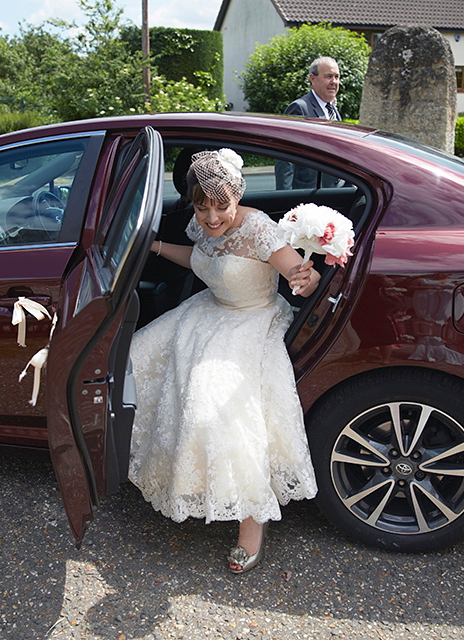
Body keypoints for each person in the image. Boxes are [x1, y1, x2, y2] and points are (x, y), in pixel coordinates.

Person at [129, 149, 321, 574]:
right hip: (207, 311)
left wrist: (306, 279)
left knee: (214, 407)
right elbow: (200, 259)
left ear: (238, 198)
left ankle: (251, 523)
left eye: (221, 207)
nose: (211, 218)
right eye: (202, 207)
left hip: (251, 320)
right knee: (135, 356)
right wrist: (158, 246)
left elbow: (299, 275)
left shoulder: (258, 229)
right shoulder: (200, 225)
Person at [275, 57, 342, 190]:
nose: (334, 82)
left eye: (337, 77)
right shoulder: (300, 108)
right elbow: (286, 158)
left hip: (336, 191)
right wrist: (283, 198)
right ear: (313, 78)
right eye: (328, 76)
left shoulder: (332, 109)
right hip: (310, 194)